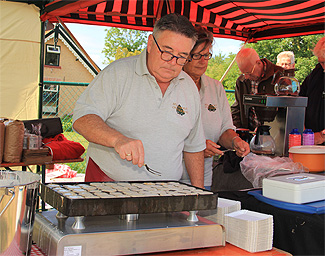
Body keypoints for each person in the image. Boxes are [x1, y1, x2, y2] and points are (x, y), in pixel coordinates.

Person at [72, 13, 206, 188]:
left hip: (167, 191)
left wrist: (198, 193)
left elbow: (194, 147)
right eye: (167, 52)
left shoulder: (188, 87)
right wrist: (117, 139)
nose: (173, 62)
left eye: (182, 56)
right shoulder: (118, 74)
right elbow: (82, 119)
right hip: (108, 185)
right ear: (150, 43)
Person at [181, 26, 250, 189]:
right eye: (197, 55)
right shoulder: (171, 84)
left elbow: (224, 129)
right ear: (184, 55)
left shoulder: (215, 87)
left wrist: (235, 141)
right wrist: (196, 147)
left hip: (204, 178)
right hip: (172, 176)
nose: (203, 61)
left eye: (206, 55)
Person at [231, 47, 284, 131]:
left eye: (248, 72)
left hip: (274, 133)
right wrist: (238, 130)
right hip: (249, 132)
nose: (246, 77)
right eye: (243, 73)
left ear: (258, 63)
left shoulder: (280, 76)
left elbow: (285, 110)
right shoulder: (241, 81)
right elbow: (237, 108)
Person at [299, 37, 325, 145]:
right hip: (311, 143)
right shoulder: (316, 73)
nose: (323, 67)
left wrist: (323, 136)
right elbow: (300, 100)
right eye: (321, 62)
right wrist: (303, 127)